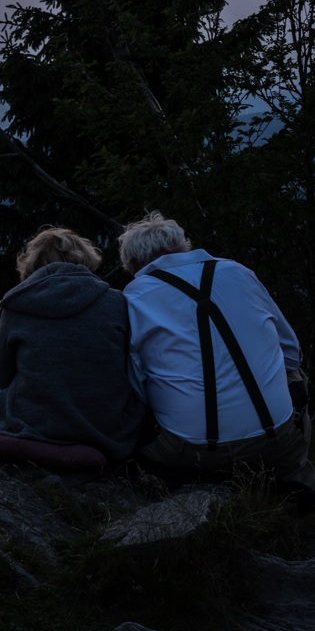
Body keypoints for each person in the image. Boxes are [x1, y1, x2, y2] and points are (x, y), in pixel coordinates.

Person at [118, 210, 315, 493]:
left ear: (135, 263)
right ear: (182, 246)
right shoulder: (238, 272)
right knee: (294, 372)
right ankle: (296, 476)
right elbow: (291, 353)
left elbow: (136, 385)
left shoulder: (135, 294)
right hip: (277, 438)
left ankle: (191, 483)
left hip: (190, 450)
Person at [0, 227, 146, 463]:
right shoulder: (116, 301)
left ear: (33, 263)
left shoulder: (18, 303)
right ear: (85, 257)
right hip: (103, 426)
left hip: (36, 421)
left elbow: (0, 376)